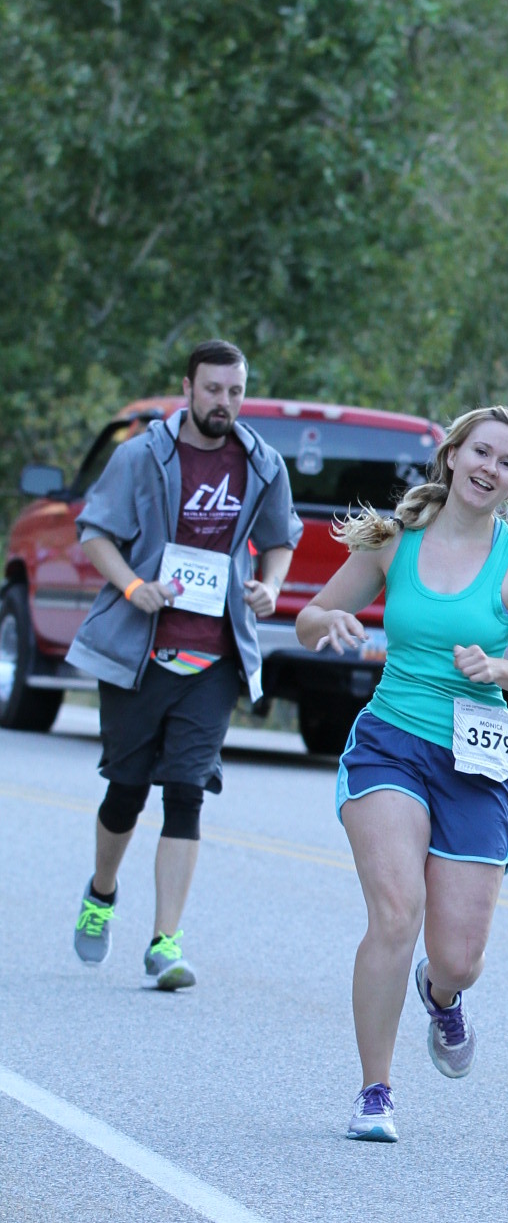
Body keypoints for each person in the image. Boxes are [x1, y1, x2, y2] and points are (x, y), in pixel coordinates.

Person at [295, 407, 508, 1143]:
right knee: (395, 914)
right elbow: (312, 616)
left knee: (459, 958)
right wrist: (331, 624)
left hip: (475, 760)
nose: (490, 469)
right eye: (481, 452)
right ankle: (375, 1091)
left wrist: (502, 669)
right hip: (392, 741)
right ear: (452, 455)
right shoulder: (394, 540)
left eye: (507, 463)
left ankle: (442, 996)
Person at [67, 341, 300, 992]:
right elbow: (95, 532)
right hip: (140, 651)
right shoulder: (141, 454)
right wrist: (134, 587)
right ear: (189, 389)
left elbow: (280, 539)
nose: (224, 402)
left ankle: (164, 942)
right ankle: (101, 890)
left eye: (235, 391)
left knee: (187, 790)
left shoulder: (262, 463)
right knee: (126, 788)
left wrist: (270, 587)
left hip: (215, 657)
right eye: (213, 390)